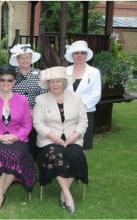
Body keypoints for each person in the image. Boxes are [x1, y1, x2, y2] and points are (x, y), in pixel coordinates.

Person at [0, 66, 36, 212]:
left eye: (9, 80)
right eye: (2, 80)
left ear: (14, 82)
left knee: (16, 155)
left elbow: (27, 125)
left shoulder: (23, 101)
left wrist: (16, 137)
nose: (6, 83)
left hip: (17, 139)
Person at [33, 66, 88, 214]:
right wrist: (55, 138)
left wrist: (75, 136)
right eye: (51, 82)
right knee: (55, 156)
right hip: (49, 140)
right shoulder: (41, 99)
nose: (55, 84)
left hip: (72, 138)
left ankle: (63, 193)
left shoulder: (76, 98)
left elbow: (83, 121)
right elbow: (38, 123)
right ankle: (67, 194)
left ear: (64, 82)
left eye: (58, 81)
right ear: (48, 84)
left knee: (75, 156)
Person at [9, 43, 47, 159]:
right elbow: (7, 93)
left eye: (27, 57)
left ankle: (32, 160)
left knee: (33, 136)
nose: (25, 60)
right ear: (17, 59)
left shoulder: (38, 73)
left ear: (31, 58)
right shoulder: (11, 74)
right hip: (15, 111)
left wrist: (34, 110)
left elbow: (43, 94)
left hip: (35, 111)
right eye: (22, 57)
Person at [64, 40, 101, 152]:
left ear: (86, 55)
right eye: (76, 53)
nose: (79, 55)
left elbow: (96, 94)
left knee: (83, 147)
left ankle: (81, 169)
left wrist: (79, 106)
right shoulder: (65, 71)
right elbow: (61, 91)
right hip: (67, 113)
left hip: (86, 113)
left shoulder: (94, 72)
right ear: (72, 55)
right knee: (66, 143)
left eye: (82, 53)